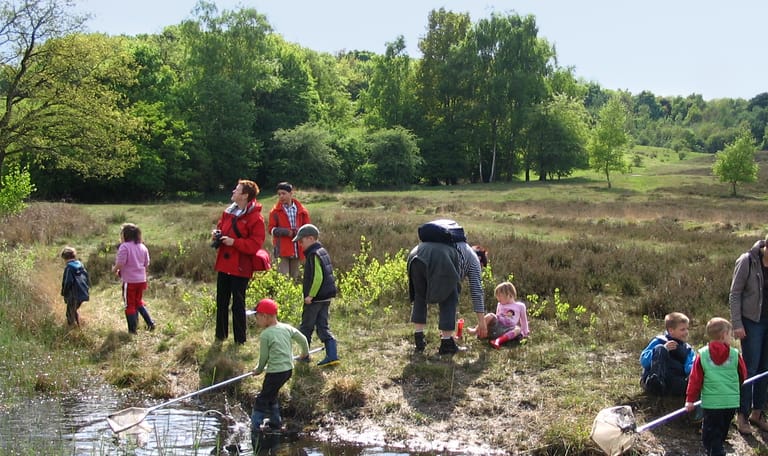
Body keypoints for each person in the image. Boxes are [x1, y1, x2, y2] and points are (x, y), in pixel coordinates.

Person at [407, 228, 487, 355]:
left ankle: (419, 338)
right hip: (439, 257)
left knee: (420, 295)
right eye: (482, 267)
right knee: (450, 295)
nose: (480, 269)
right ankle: (447, 343)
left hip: (416, 253)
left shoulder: (459, 247)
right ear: (480, 259)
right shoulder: (474, 260)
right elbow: (477, 291)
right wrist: (482, 323)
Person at [249, 298, 310, 447]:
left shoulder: (265, 335)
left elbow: (264, 358)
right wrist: (305, 353)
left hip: (275, 372)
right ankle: (275, 422)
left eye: (257, 317)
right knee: (272, 394)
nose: (257, 321)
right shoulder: (287, 328)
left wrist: (258, 369)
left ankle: (255, 427)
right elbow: (303, 339)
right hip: (288, 370)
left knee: (262, 398)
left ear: (265, 316)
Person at [212, 179, 266, 344]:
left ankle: (240, 340)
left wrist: (234, 242)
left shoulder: (256, 218)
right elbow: (221, 227)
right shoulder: (228, 211)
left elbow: (255, 244)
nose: (233, 191)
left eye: (237, 190)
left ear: (245, 195)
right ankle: (220, 336)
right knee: (221, 301)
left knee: (238, 304)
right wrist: (216, 234)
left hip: (241, 266)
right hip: (224, 264)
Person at [685, 317, 747, 456]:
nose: (731, 337)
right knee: (722, 429)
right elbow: (743, 375)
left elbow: (695, 380)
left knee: (710, 431)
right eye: (730, 334)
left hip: (712, 403)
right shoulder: (735, 354)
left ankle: (715, 451)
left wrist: (690, 400)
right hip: (731, 402)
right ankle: (717, 448)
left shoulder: (702, 355)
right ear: (724, 335)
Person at [729, 236, 768, 433]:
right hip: (752, 322)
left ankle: (757, 413)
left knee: (765, 368)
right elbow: (735, 294)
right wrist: (737, 324)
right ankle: (742, 415)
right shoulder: (747, 261)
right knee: (749, 369)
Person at [293, 223, 339, 367]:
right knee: (322, 326)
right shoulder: (322, 251)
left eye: (301, 241)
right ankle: (332, 355)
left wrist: (310, 295)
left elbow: (318, 278)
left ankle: (304, 355)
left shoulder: (313, 254)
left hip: (315, 299)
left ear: (311, 239)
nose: (300, 244)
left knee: (306, 327)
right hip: (325, 297)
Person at [112, 223, 155, 333]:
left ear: (125, 235)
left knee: (129, 305)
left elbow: (120, 263)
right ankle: (150, 323)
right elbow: (146, 263)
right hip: (141, 280)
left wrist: (114, 269)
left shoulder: (124, 247)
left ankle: (132, 330)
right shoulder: (142, 246)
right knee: (138, 302)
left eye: (121, 233)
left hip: (129, 281)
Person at [639, 312, 695, 397]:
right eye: (682, 329)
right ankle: (655, 382)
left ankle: (665, 390)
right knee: (660, 348)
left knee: (690, 385)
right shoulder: (659, 341)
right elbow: (644, 361)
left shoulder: (687, 349)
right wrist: (664, 349)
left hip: (672, 380)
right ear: (671, 330)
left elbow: (689, 367)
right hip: (653, 378)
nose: (686, 332)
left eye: (687, 329)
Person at [268, 182, 311, 280]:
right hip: (282, 250)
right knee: (283, 279)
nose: (281, 196)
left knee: (294, 279)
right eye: (279, 194)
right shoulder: (275, 211)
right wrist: (285, 232)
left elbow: (307, 228)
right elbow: (271, 229)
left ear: (291, 193)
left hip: (298, 249)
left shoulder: (302, 211)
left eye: (283, 193)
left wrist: (298, 232)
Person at [469, 281, 529, 349]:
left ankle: (498, 341)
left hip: (508, 329)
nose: (497, 298)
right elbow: (497, 315)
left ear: (509, 295)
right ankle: (476, 330)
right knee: (490, 315)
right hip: (497, 327)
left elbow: (524, 321)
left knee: (518, 329)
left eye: (499, 296)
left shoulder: (520, 306)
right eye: (497, 296)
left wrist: (525, 332)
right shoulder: (500, 304)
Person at [60, 246, 90, 327]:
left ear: (65, 258)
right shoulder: (80, 265)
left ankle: (72, 329)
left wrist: (64, 292)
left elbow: (68, 282)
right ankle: (78, 327)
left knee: (69, 314)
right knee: (73, 310)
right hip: (82, 293)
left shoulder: (69, 268)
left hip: (73, 295)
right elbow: (86, 277)